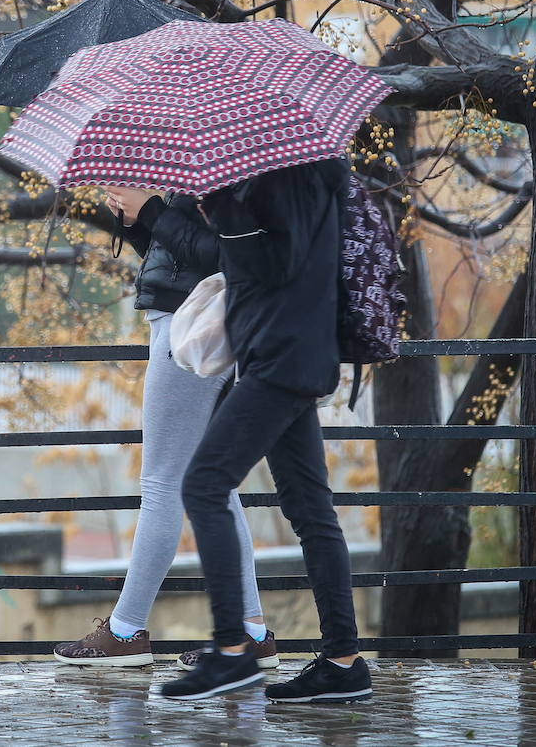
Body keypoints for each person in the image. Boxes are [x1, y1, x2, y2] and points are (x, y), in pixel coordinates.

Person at [159, 158, 371, 703]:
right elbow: (265, 258)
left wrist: (223, 207)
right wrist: (214, 206)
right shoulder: (291, 172)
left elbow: (276, 264)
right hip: (282, 356)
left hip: (283, 359)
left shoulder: (294, 172)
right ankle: (344, 661)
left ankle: (232, 651)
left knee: (203, 484)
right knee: (311, 512)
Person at [52, 186, 277, 670]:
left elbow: (223, 255)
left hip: (192, 329)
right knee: (216, 486)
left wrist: (152, 210)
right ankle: (251, 634)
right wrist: (137, 222)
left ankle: (125, 630)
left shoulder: (221, 166)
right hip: (195, 324)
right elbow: (179, 260)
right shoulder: (191, 167)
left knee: (161, 483)